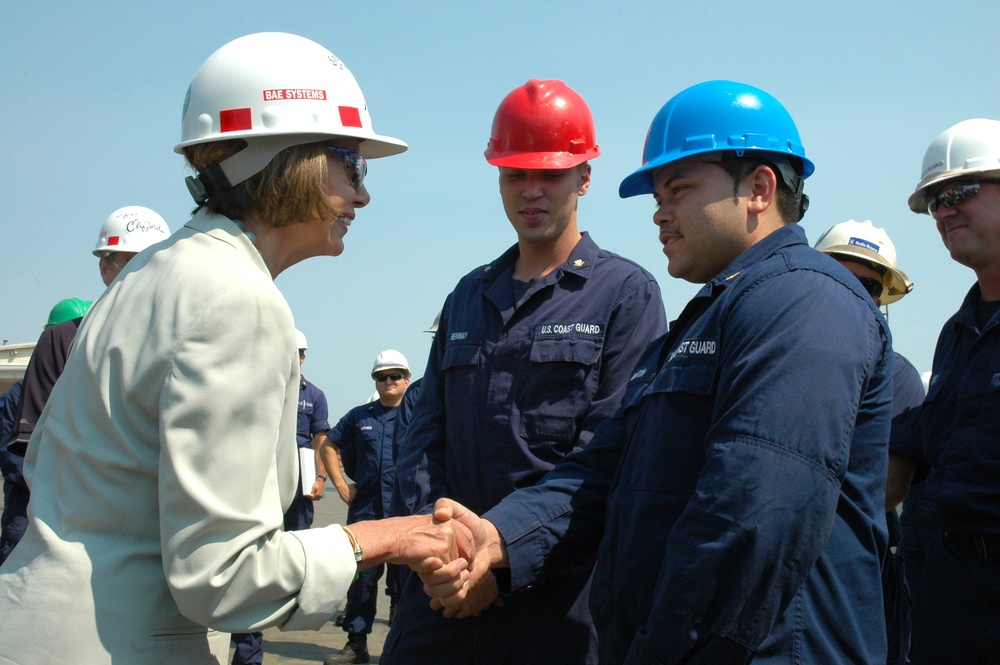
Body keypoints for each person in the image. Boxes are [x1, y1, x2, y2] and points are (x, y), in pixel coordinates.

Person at [0, 33, 469, 665]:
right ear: (289, 158)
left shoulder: (160, 271)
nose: (362, 194)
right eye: (351, 163)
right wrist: (385, 538)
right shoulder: (236, 300)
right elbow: (223, 576)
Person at [421, 80, 895, 664]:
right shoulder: (708, 322)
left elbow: (751, 519)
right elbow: (600, 472)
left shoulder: (804, 303)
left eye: (677, 191)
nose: (659, 215)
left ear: (759, 189)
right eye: (656, 198)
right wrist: (497, 538)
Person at [385, 79, 667, 665]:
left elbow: (609, 456)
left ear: (584, 177)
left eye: (550, 175)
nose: (531, 191)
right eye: (515, 174)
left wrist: (502, 557)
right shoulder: (469, 295)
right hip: (443, 596)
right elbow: (422, 437)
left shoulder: (625, 295)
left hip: (555, 605)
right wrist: (445, 556)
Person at [888, 118, 1000, 664]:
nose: (944, 210)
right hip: (953, 589)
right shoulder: (957, 334)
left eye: (960, 192)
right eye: (934, 200)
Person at [1, 207, 170, 565]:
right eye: (128, 263)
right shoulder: (64, 340)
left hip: (144, 522)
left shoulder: (178, 340)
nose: (140, 275)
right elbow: (32, 443)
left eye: (151, 263)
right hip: (57, 514)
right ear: (105, 267)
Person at [813, 219, 926, 664]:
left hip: (854, 572)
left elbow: (889, 487)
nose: (858, 293)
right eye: (843, 278)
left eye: (869, 286)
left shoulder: (897, 376)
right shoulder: (774, 351)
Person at [230, 328, 332, 665]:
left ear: (305, 356)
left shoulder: (314, 395)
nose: (295, 357)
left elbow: (320, 439)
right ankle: (247, 630)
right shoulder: (257, 386)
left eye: (300, 352)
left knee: (297, 542)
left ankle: (288, 601)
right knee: (254, 549)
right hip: (260, 480)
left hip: (298, 479)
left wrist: (319, 476)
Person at [321, 350, 412, 664]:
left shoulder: (419, 414)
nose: (389, 381)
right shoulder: (360, 417)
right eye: (382, 376)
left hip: (406, 513)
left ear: (407, 379)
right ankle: (356, 644)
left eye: (395, 375)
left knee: (405, 584)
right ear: (375, 380)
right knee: (361, 582)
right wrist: (341, 485)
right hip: (366, 514)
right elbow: (329, 445)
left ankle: (401, 647)